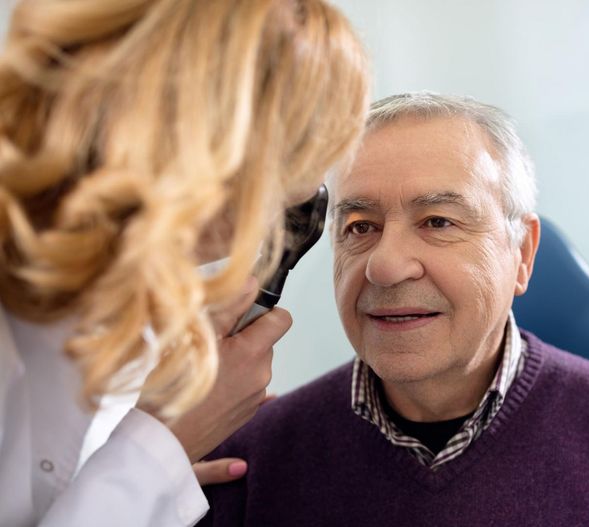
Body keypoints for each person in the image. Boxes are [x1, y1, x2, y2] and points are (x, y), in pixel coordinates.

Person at [200, 92, 589, 526]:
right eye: (360, 227)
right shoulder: (245, 463)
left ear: (522, 254)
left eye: (438, 222)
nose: (385, 266)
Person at [0, 0, 368, 525]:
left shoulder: (117, 300)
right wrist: (156, 449)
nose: (300, 197)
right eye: (294, 156)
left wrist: (142, 474)